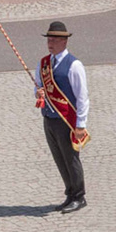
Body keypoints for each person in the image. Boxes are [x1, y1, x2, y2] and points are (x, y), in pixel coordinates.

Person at [37, 22, 90, 212]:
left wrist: (80, 124)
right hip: (49, 118)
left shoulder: (74, 65)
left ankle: (79, 196)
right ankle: (70, 193)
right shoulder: (44, 63)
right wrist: (38, 93)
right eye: (48, 40)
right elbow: (39, 86)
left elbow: (82, 97)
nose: (50, 44)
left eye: (54, 40)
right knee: (59, 158)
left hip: (66, 120)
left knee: (71, 158)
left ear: (64, 41)